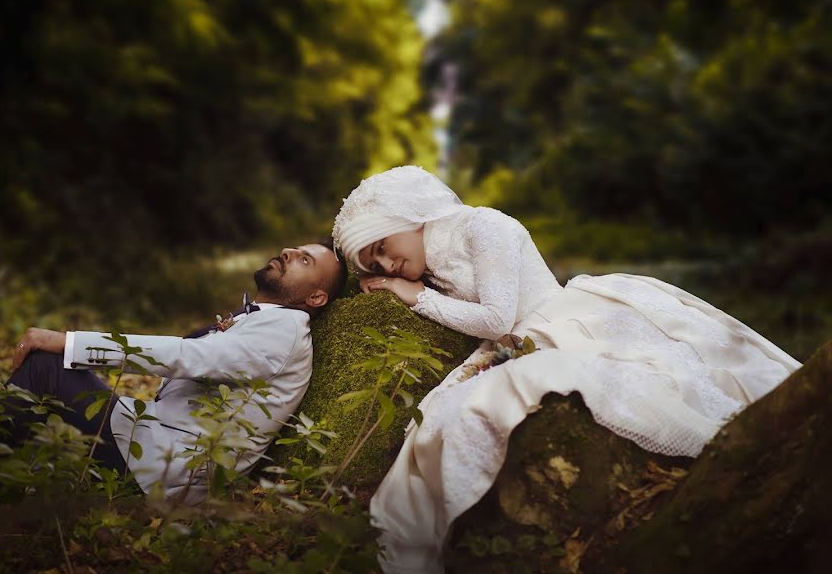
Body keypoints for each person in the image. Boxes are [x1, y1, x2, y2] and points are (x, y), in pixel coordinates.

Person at [332, 165, 801, 573]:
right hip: (511, 344)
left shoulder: (484, 226)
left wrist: (418, 298)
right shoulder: (429, 265)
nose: (390, 264)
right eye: (375, 264)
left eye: (384, 247)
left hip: (562, 319)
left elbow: (497, 317)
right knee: (439, 423)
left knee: (660, 382)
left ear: (406, 218)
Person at [7, 239, 347, 504]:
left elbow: (189, 355)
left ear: (316, 298)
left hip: (162, 471)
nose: (288, 252)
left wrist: (70, 343)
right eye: (296, 249)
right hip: (152, 441)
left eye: (305, 260)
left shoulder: (284, 330)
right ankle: (8, 467)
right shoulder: (271, 318)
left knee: (46, 365)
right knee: (56, 375)